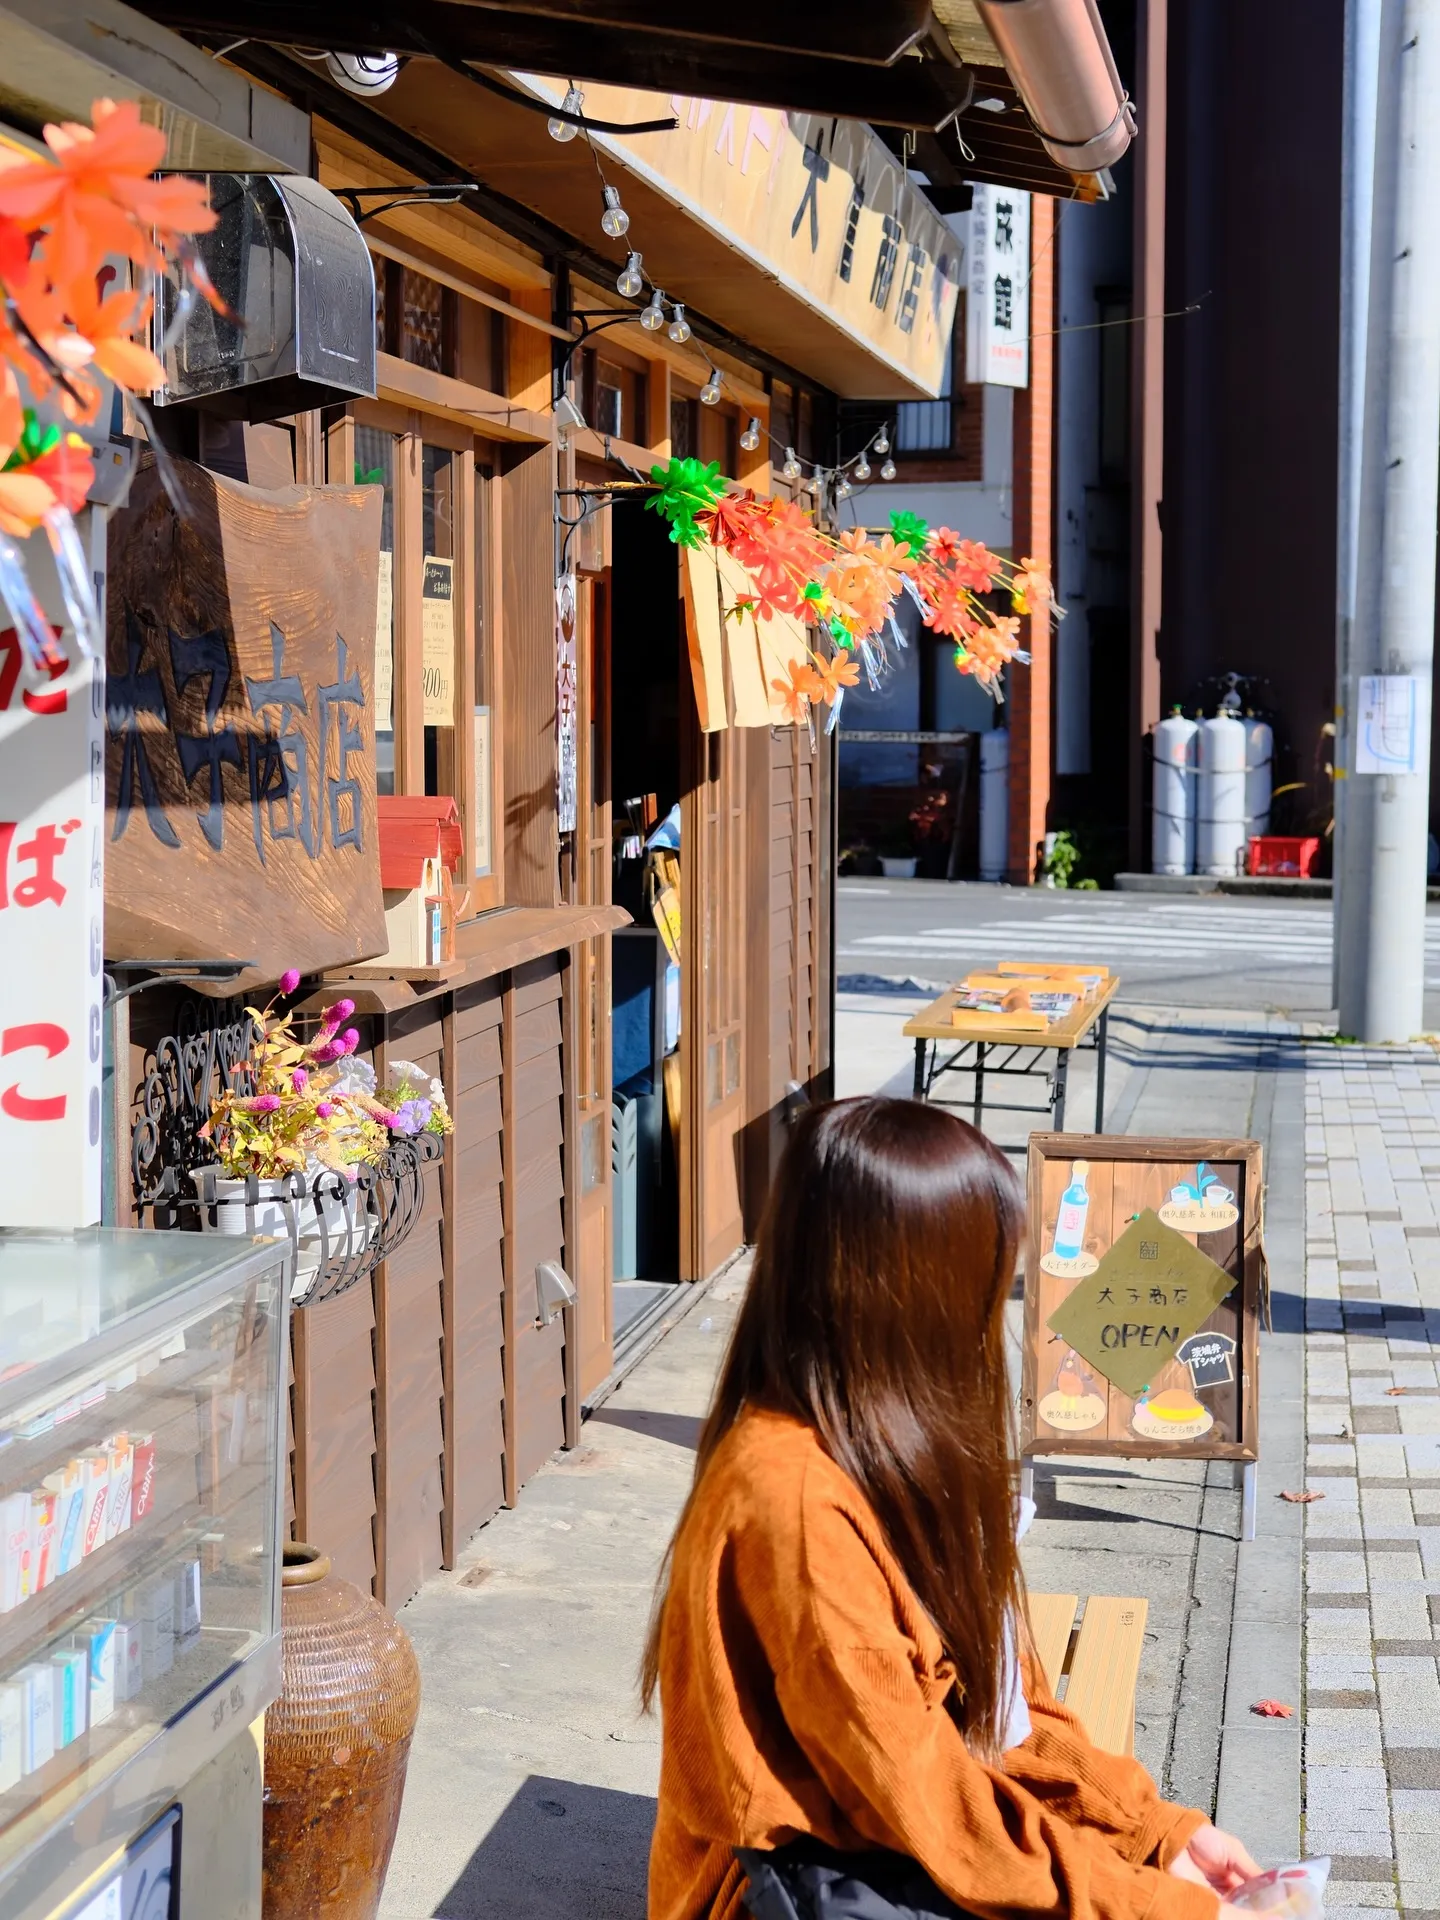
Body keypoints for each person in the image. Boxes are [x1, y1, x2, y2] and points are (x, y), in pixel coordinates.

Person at [642, 1096, 1260, 1920]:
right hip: (795, 1894)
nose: (994, 1316)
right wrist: (1154, 1904)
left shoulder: (896, 1445)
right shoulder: (792, 1501)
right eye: (986, 1280)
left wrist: (1158, 1836)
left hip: (889, 1860)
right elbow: (923, 1798)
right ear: (916, 1292)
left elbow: (1008, 1711)